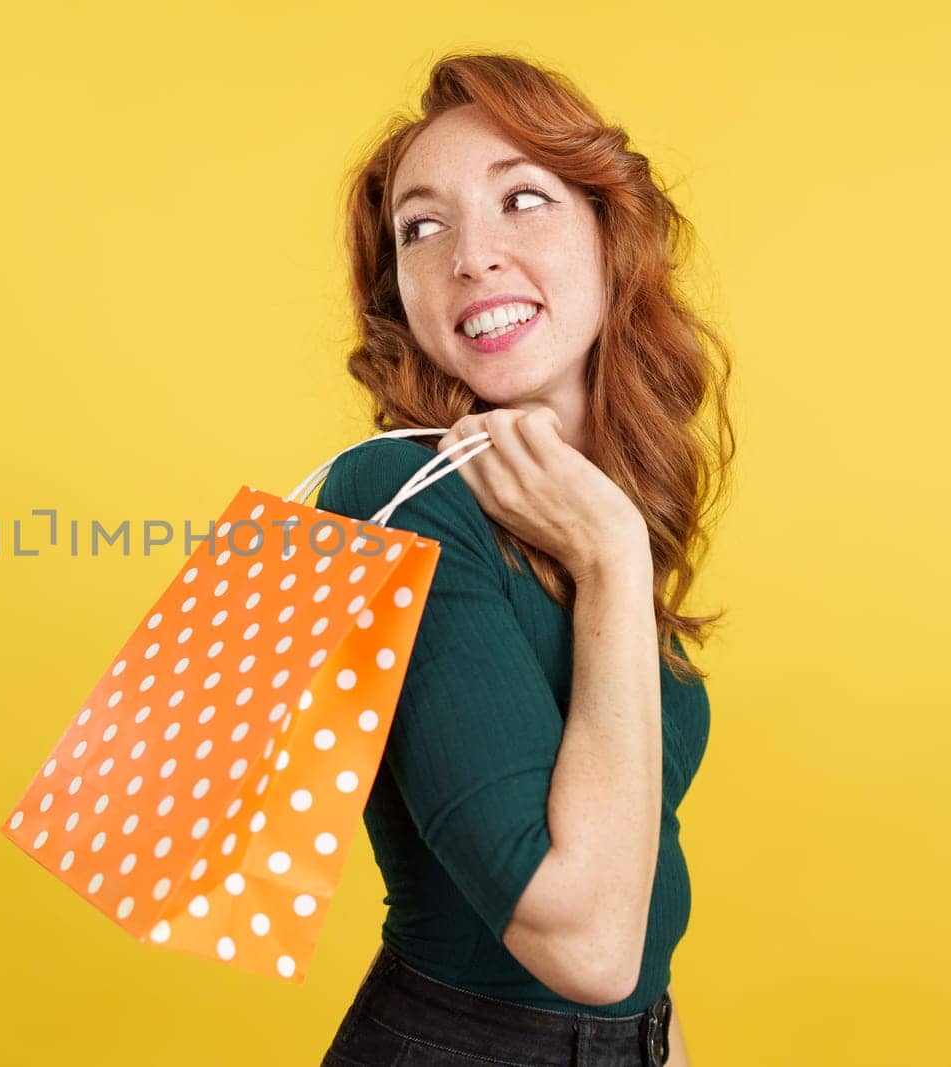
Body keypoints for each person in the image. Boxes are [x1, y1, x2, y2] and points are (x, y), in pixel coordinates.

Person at [314, 51, 735, 1067]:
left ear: (609, 235)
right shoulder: (394, 500)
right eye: (423, 227)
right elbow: (585, 944)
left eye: (522, 200)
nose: (471, 255)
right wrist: (613, 561)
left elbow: (640, 908)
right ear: (401, 295)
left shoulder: (593, 505)